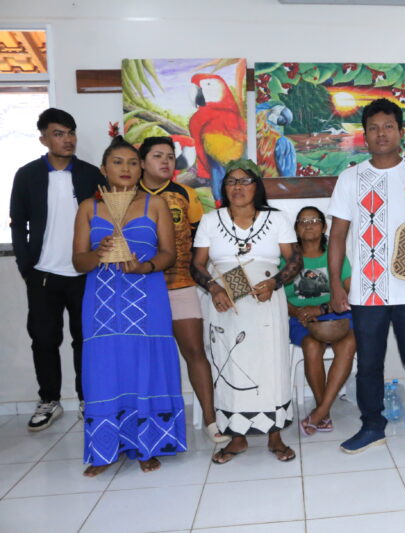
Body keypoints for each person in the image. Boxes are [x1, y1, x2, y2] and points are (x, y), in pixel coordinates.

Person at [328, 98, 405, 456]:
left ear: (401, 132)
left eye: (388, 127)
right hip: (366, 291)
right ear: (364, 135)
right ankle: (371, 427)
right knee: (368, 365)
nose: (381, 133)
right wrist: (336, 284)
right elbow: (337, 236)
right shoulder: (350, 178)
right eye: (373, 128)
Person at [74, 136, 186, 476]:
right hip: (102, 302)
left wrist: (144, 266)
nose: (126, 168)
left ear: (141, 169)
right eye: (118, 162)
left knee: (145, 367)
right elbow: (78, 261)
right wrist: (98, 253)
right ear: (103, 169)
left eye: (133, 162)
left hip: (147, 297)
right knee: (104, 370)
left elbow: (169, 254)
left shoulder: (156, 204)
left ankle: (146, 445)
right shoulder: (89, 208)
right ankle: (104, 449)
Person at [191, 158, 302, 464]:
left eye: (244, 181)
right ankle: (237, 438)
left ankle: (275, 436)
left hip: (267, 301)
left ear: (257, 186)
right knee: (230, 365)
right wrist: (213, 288)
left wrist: (276, 282)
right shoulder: (210, 221)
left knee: (271, 364)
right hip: (226, 303)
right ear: (223, 187)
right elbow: (196, 264)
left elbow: (295, 260)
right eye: (231, 181)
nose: (237, 187)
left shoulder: (276, 219)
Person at [10, 108, 106, 431]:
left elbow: (106, 220)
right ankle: (49, 400)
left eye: (70, 133)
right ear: (44, 139)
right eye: (58, 134)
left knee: (86, 340)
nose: (67, 140)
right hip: (43, 274)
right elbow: (18, 223)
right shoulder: (27, 175)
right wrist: (26, 266)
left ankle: (87, 398)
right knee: (43, 339)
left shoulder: (92, 175)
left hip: (85, 274)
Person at [138, 136, 228, 444]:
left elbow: (200, 244)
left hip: (180, 285)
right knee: (146, 358)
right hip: (141, 288)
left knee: (194, 352)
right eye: (157, 156)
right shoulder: (129, 196)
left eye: (169, 156)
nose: (165, 161)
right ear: (142, 162)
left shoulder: (184, 194)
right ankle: (148, 420)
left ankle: (211, 420)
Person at [284, 206, 357, 436]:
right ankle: (322, 410)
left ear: (324, 227)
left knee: (349, 342)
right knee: (311, 345)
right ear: (296, 228)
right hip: (299, 317)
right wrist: (298, 311)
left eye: (314, 220)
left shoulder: (334, 256)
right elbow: (277, 296)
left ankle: (321, 411)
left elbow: (351, 292)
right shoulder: (287, 258)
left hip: (335, 313)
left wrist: (323, 308)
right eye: (303, 221)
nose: (309, 225)